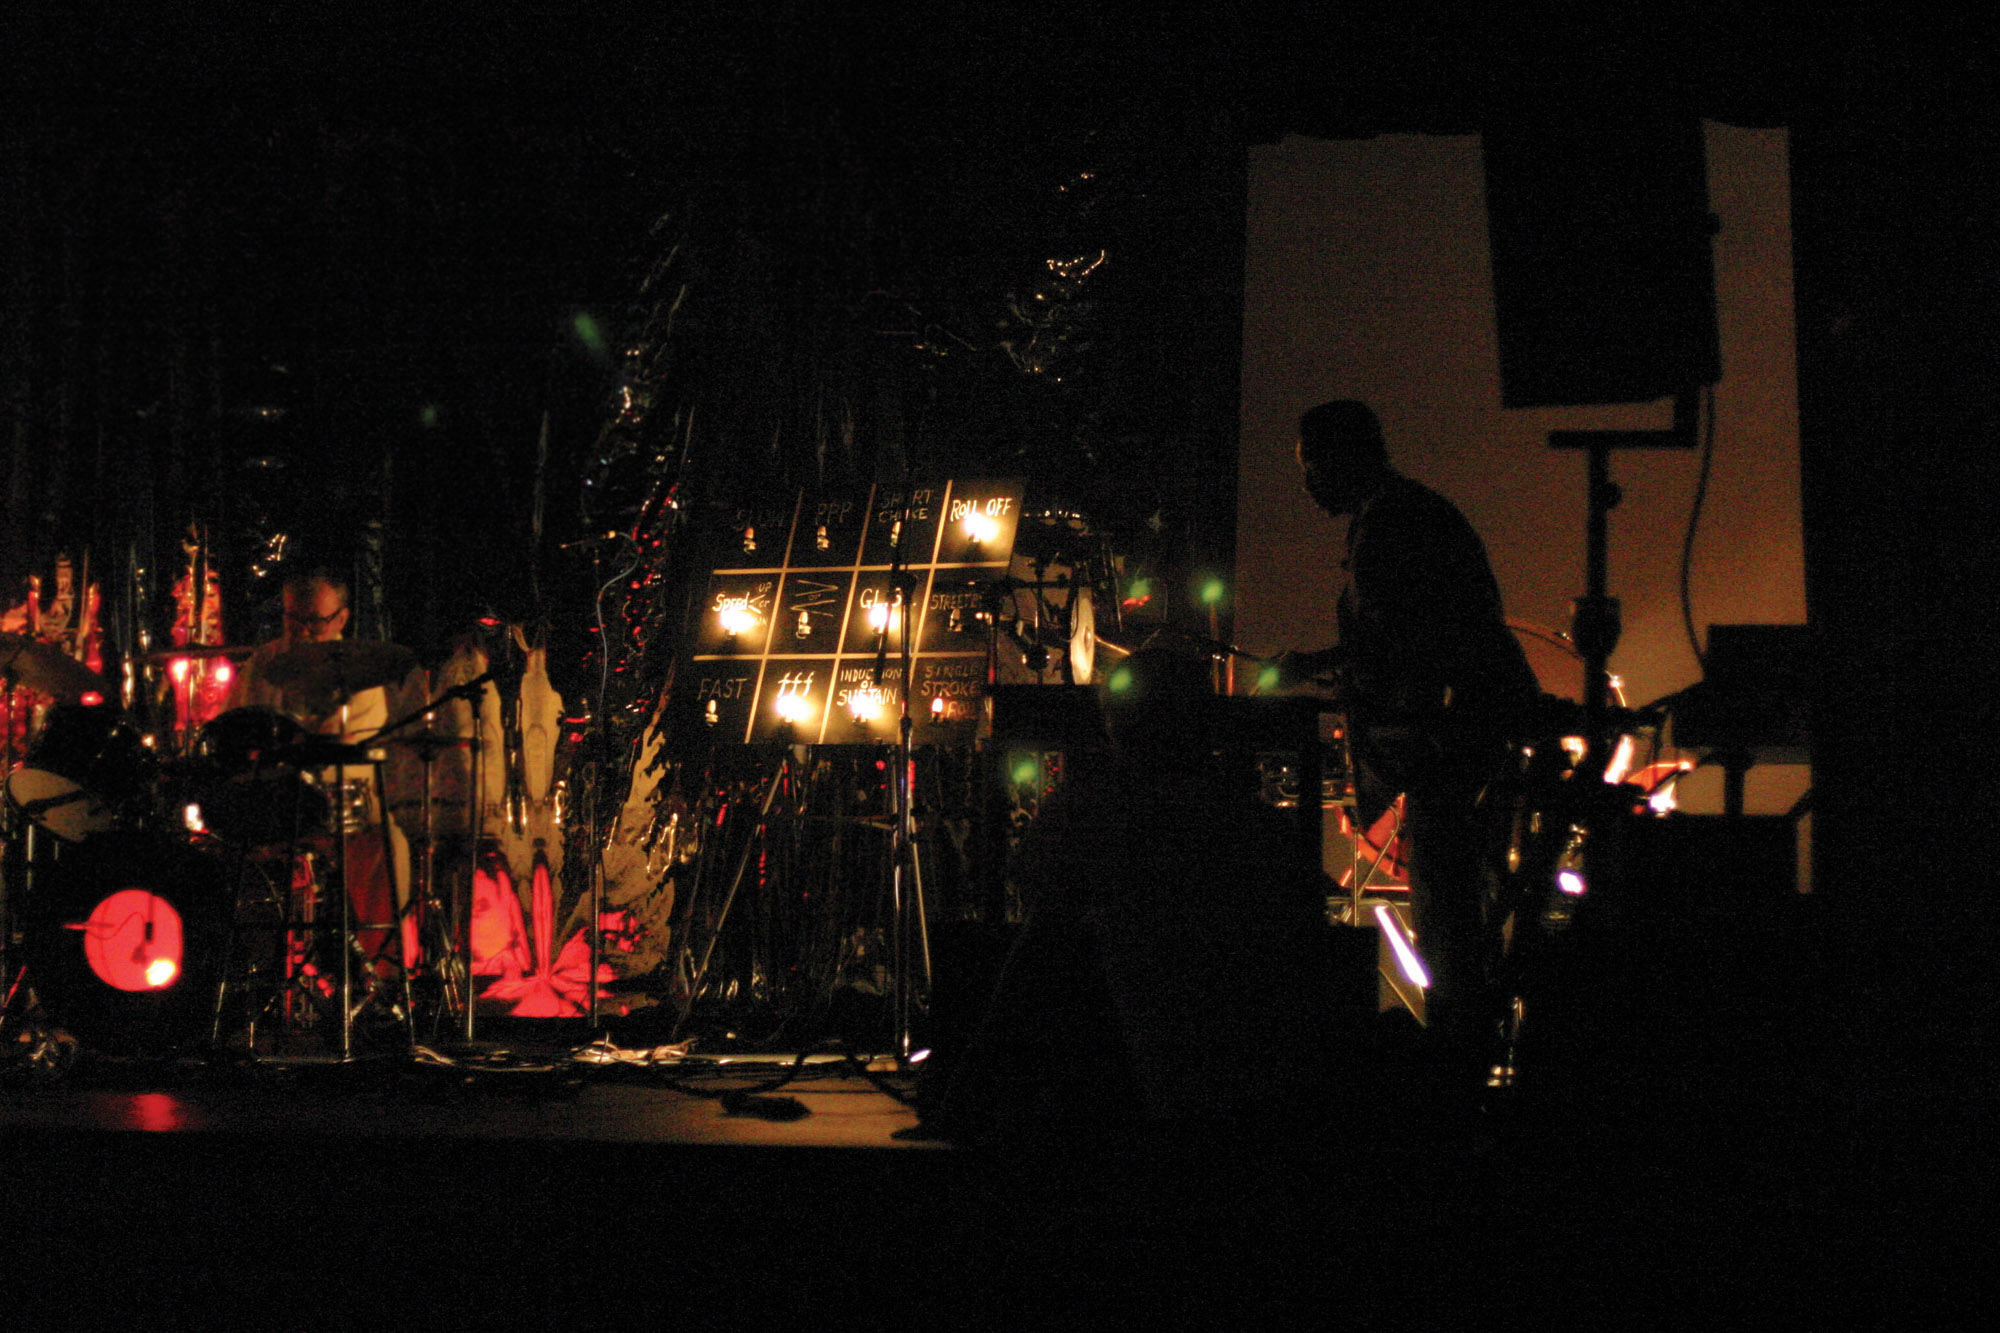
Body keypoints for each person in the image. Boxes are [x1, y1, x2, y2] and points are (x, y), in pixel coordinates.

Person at [928, 646, 1336, 1137]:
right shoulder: (1255, 826)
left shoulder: (1095, 814)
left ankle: (970, 1101)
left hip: (1142, 1071)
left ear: (1118, 725)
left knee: (1049, 935)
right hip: (1265, 1080)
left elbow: (1030, 878)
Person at [1278, 400, 1541, 1092]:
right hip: (1469, 739)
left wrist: (1329, 678)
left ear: (1340, 457)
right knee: (1459, 914)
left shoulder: (1386, 528)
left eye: (1309, 467)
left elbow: (1399, 653)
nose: (1305, 485)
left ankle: (1460, 1073)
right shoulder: (1407, 513)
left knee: (1449, 917)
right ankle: (1470, 1056)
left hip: (1451, 748)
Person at [228, 570, 416, 981]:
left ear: (342, 619)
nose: (303, 630)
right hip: (270, 806)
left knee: (390, 848)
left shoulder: (358, 673)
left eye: (315, 621)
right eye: (293, 619)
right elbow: (232, 732)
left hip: (337, 809)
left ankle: (382, 981)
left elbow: (347, 756)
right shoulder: (262, 663)